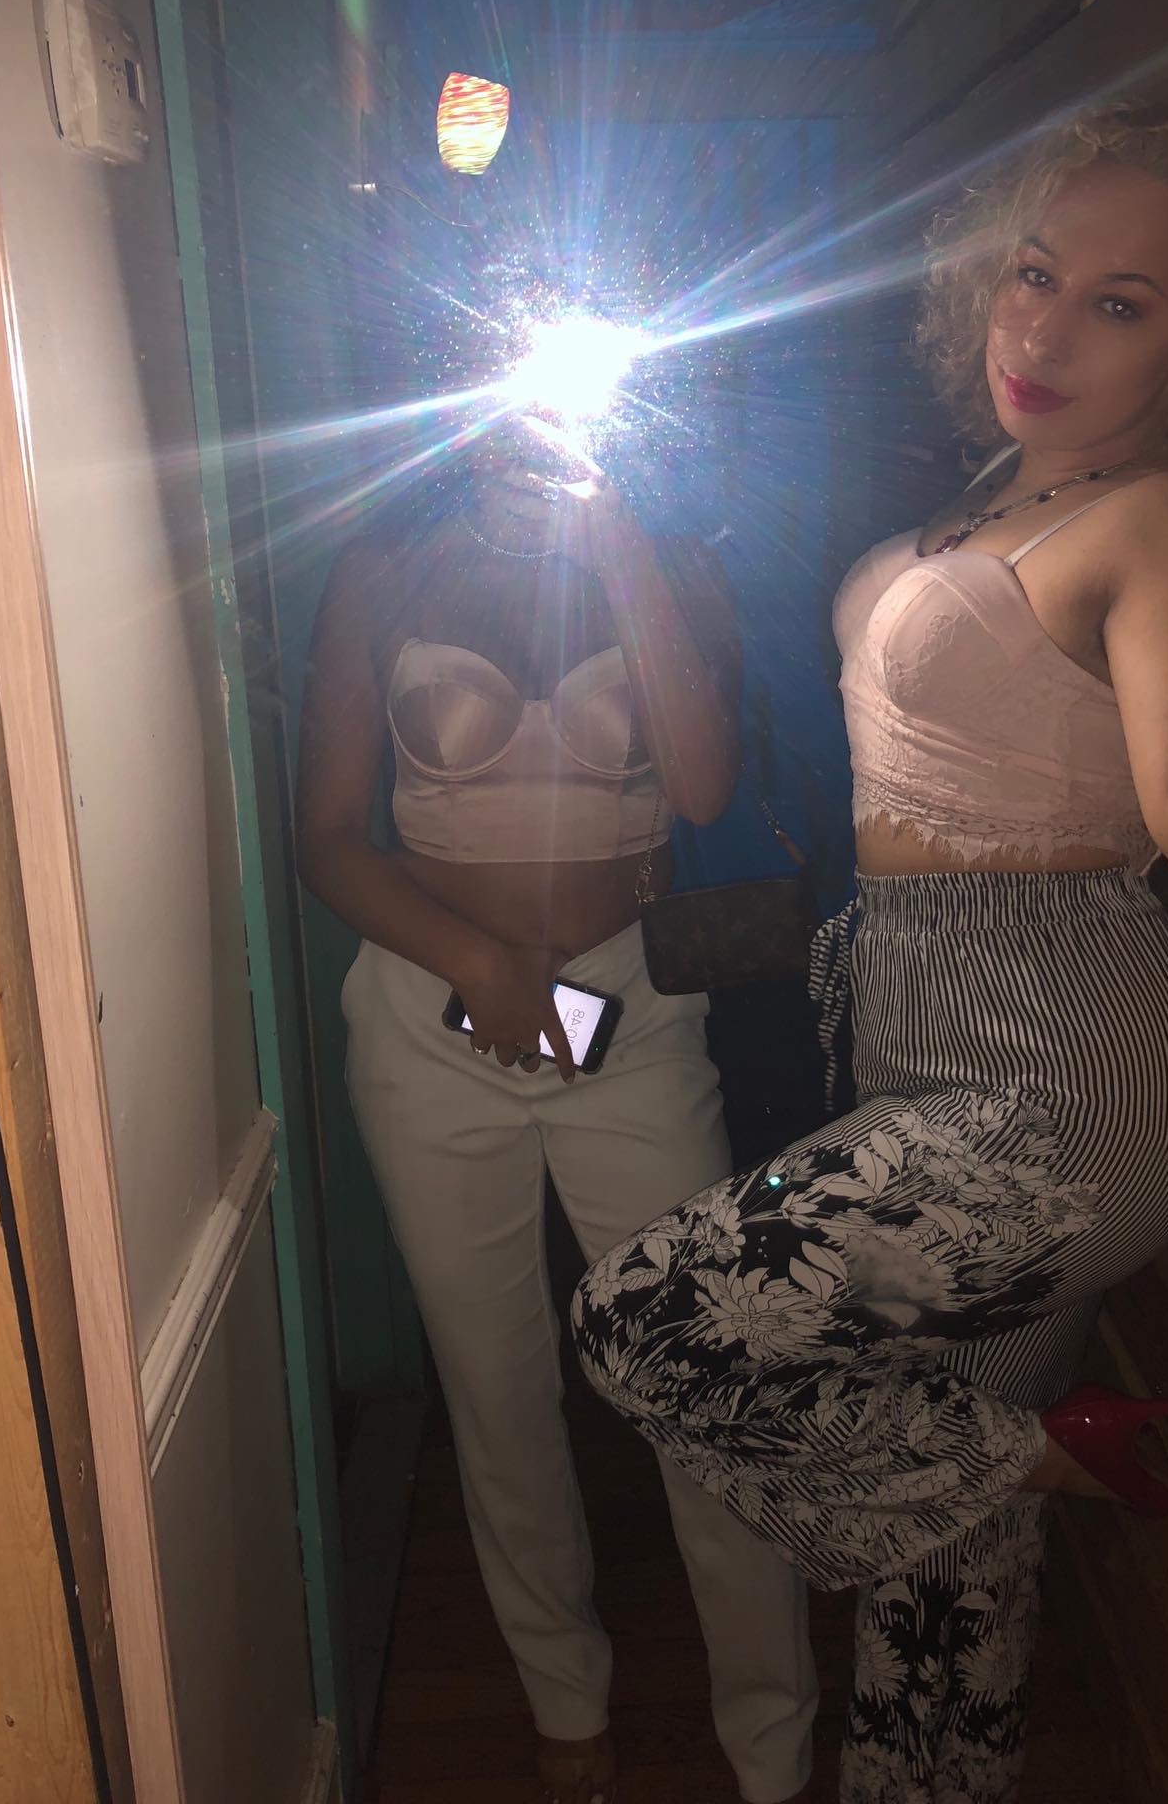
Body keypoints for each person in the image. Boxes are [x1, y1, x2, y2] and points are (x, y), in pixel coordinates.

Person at [571, 108, 1168, 1802]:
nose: (1045, 328)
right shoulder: (991, 501)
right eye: (1033, 274)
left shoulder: (1162, 519)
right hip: (922, 1050)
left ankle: (1056, 1459)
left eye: (1119, 304)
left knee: (647, 1326)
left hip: (1063, 1088)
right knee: (941, 1605)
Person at [296, 422, 819, 1804]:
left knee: (704, 1364)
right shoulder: (385, 567)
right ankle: (561, 1696)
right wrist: (476, 964)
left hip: (631, 1015)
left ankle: (773, 1739)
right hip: (429, 1012)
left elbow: (702, 786)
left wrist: (619, 539)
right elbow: (328, 836)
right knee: (495, 1384)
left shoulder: (671, 559)